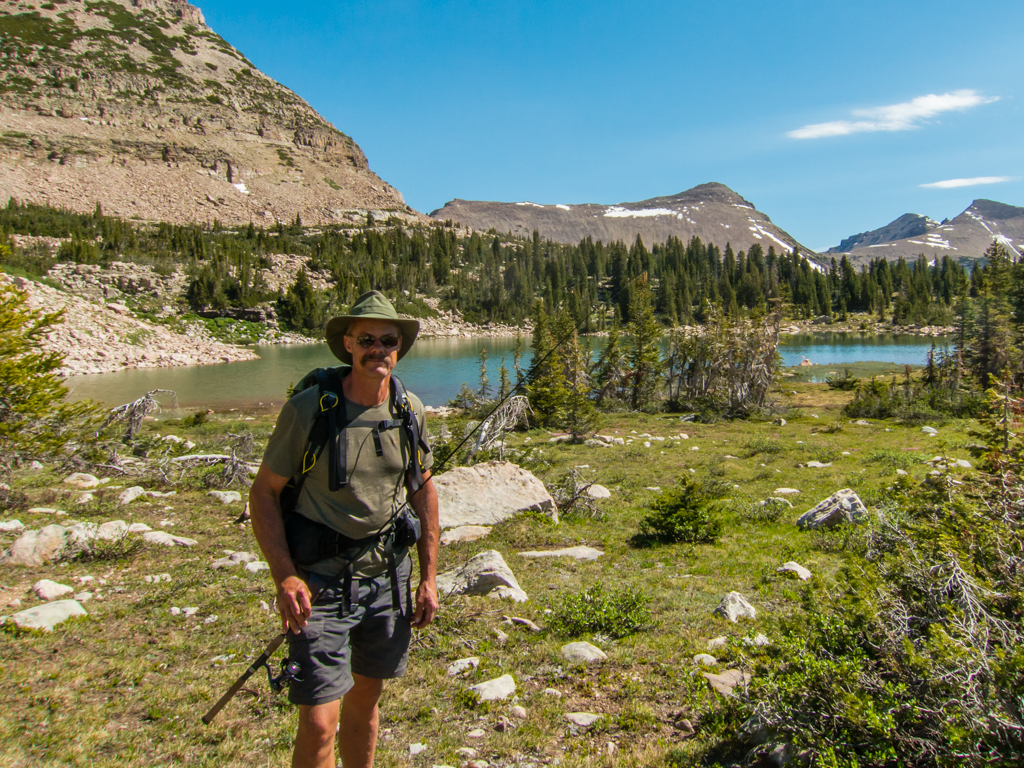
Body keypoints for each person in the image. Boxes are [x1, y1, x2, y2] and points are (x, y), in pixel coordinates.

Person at [249, 290, 439, 768]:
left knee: (365, 705)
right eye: (367, 339)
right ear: (348, 345)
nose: (378, 349)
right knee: (318, 723)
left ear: (399, 346)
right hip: (319, 582)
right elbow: (264, 493)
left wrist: (429, 576)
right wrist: (285, 577)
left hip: (386, 580)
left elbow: (424, 492)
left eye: (388, 340)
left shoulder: (408, 410)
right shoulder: (310, 410)